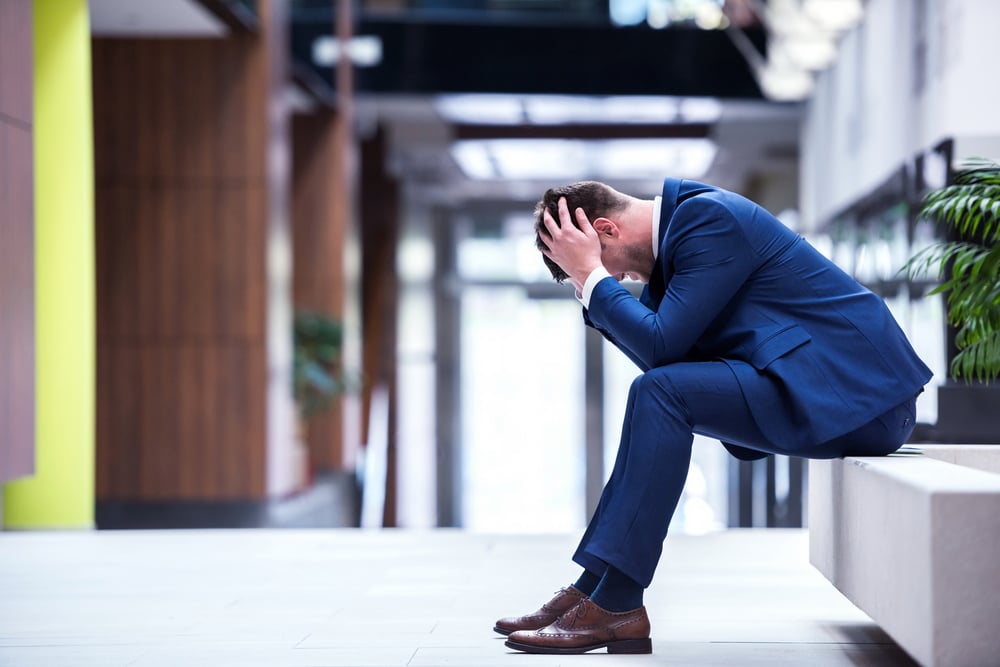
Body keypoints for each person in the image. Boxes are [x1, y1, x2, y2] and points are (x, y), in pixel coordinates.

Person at [495, 178, 932, 655]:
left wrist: (595, 281)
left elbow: (660, 349)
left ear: (606, 229)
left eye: (598, 264)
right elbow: (662, 357)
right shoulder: (677, 258)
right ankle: (595, 589)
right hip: (816, 388)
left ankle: (616, 600)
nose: (614, 281)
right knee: (658, 392)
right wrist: (591, 283)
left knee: (658, 394)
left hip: (861, 396)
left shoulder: (708, 221)